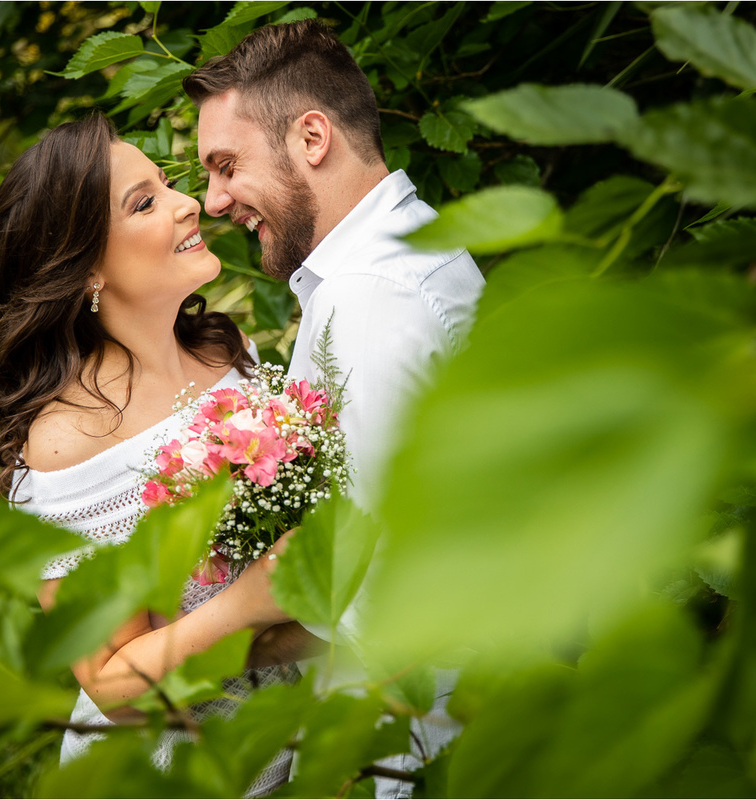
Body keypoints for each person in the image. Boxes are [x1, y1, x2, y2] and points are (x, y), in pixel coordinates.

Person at [183, 19, 485, 797]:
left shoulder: (371, 301)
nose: (214, 201)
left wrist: (186, 652)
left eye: (225, 165)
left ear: (312, 136)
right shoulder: (407, 251)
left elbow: (368, 584)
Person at [0, 114, 306, 790]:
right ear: (86, 266)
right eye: (145, 202)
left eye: (165, 184)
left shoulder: (228, 352)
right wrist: (246, 605)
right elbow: (111, 686)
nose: (190, 203)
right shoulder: (69, 443)